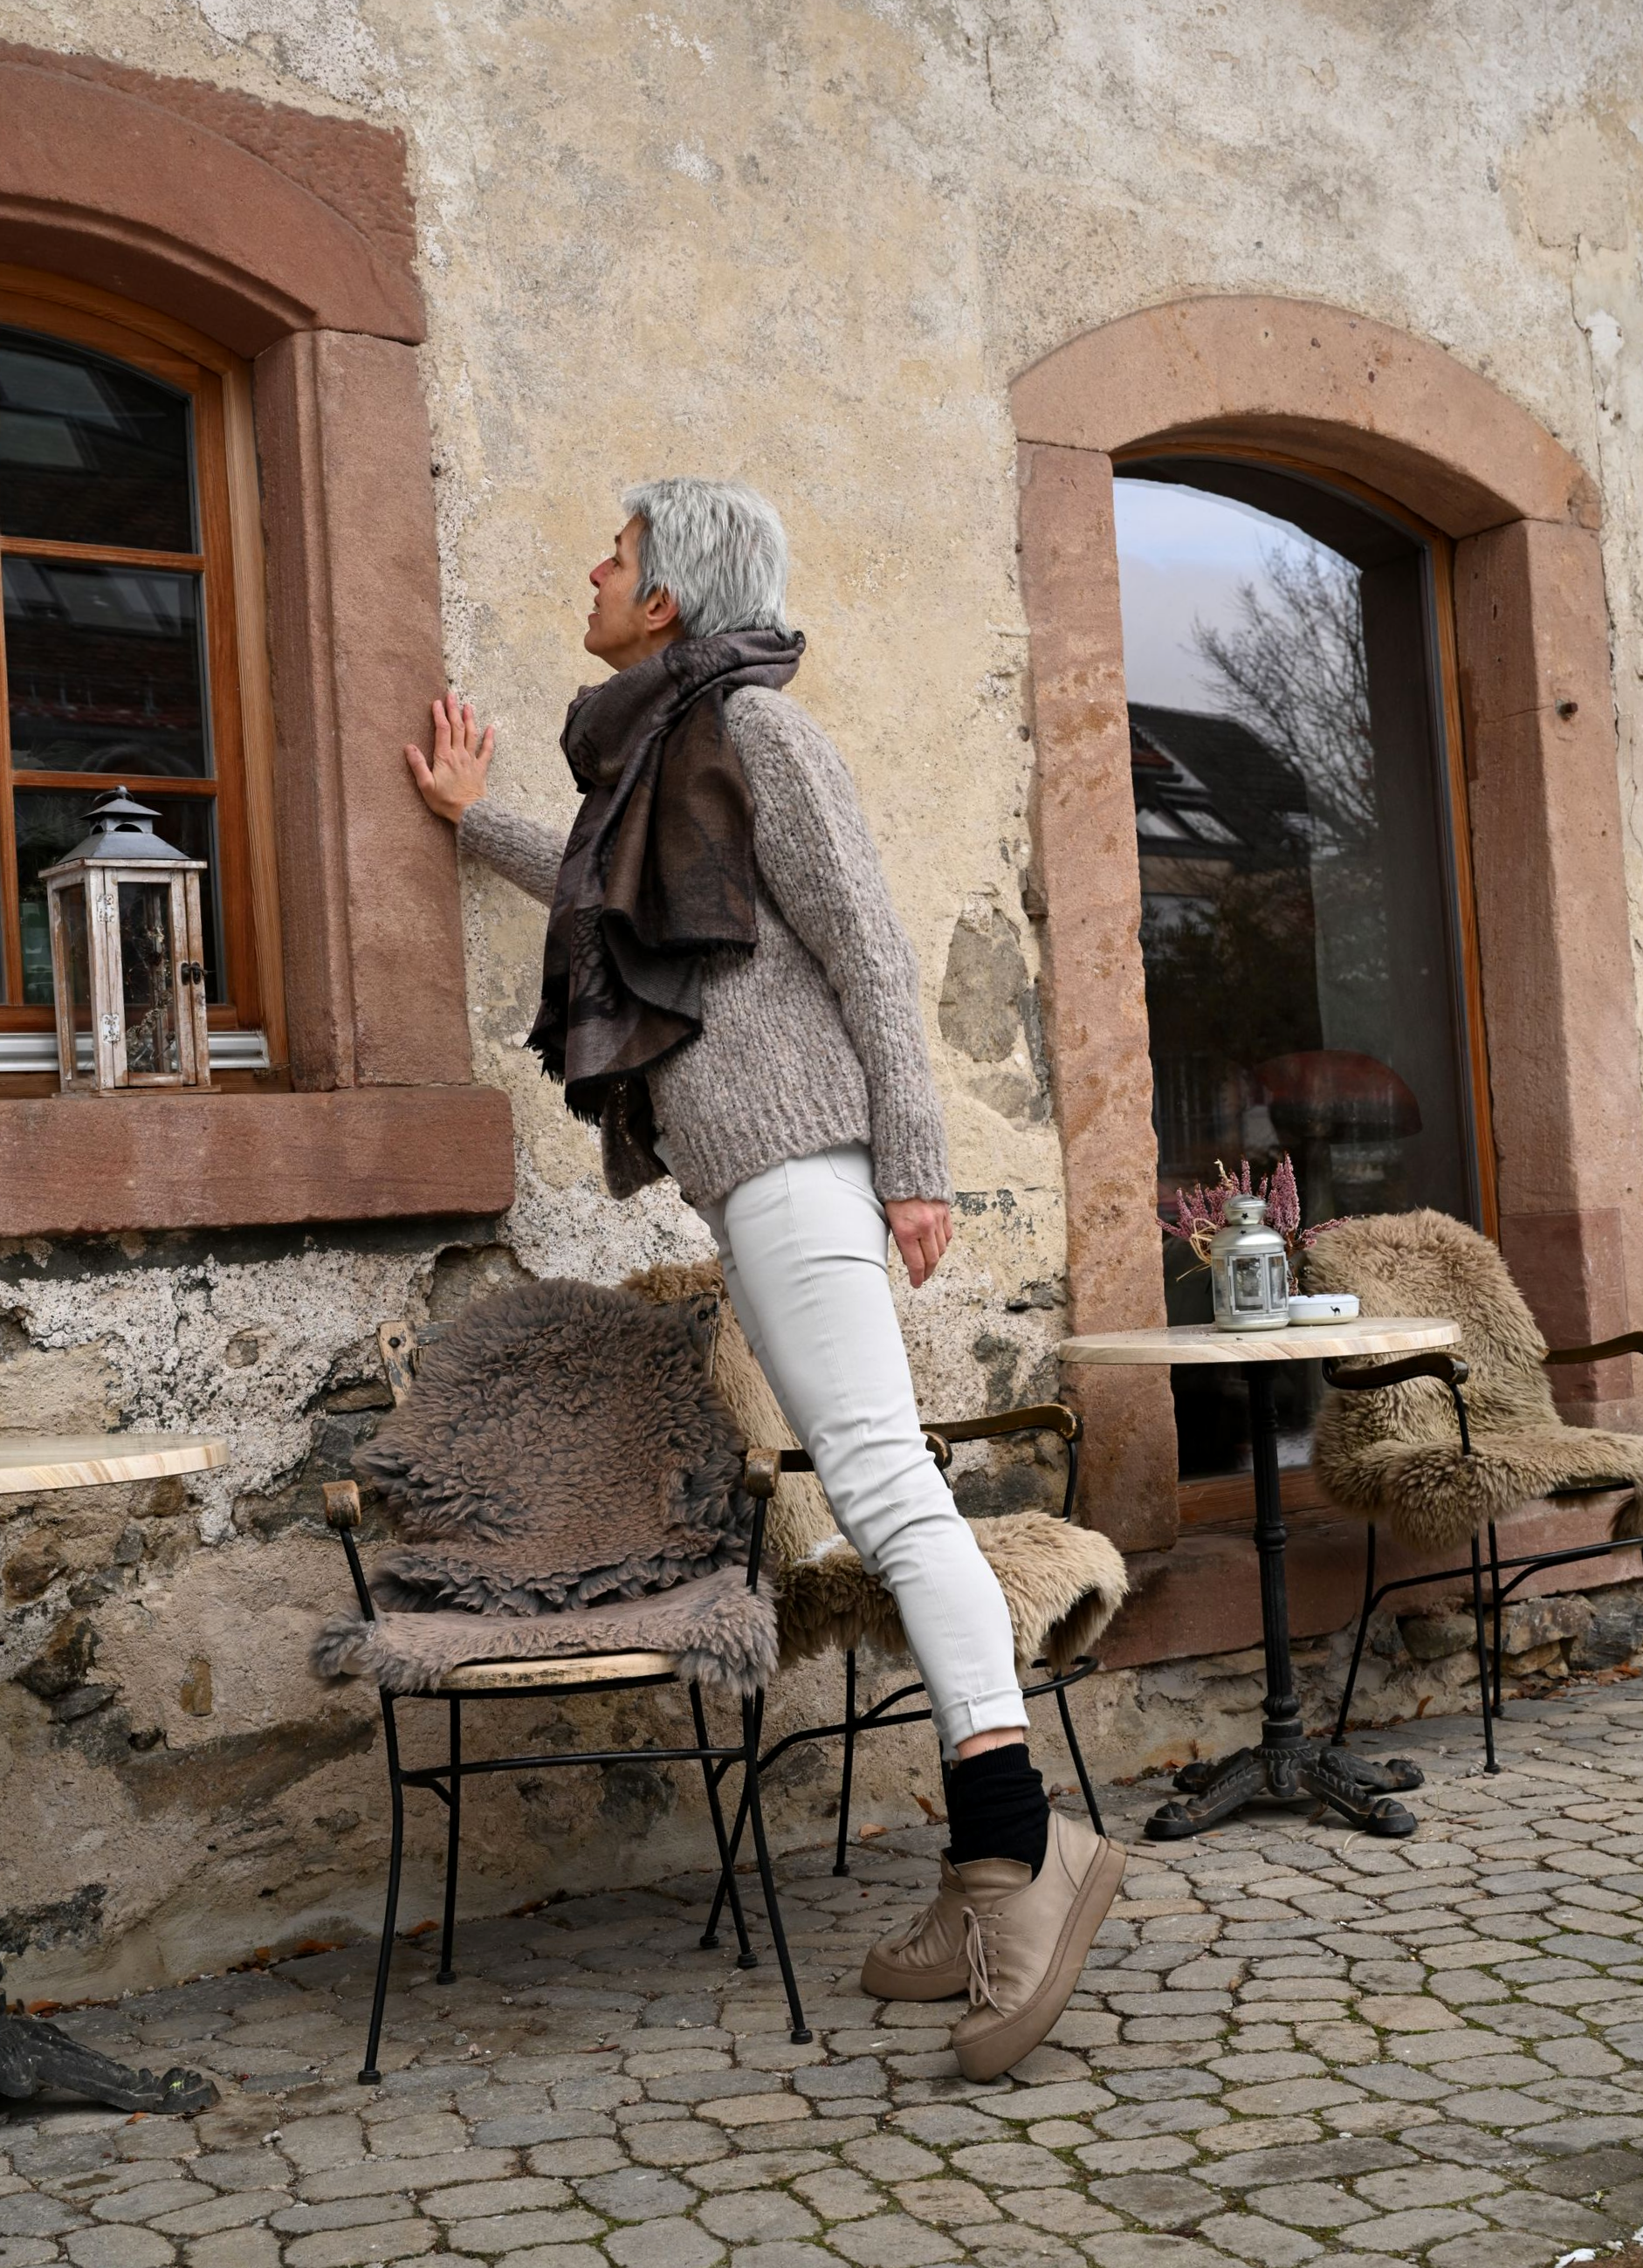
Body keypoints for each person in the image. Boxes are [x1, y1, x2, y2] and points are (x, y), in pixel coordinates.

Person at [403, 478, 1124, 2078]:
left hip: (806, 1166)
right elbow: (614, 901)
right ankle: (981, 1872)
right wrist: (473, 820)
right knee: (887, 1489)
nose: (594, 568)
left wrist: (920, 1163)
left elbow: (869, 941)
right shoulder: (668, 757)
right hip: (765, 1179)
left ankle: (1021, 1856)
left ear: (664, 598)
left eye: (616, 552)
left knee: (883, 1493)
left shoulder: (759, 739)